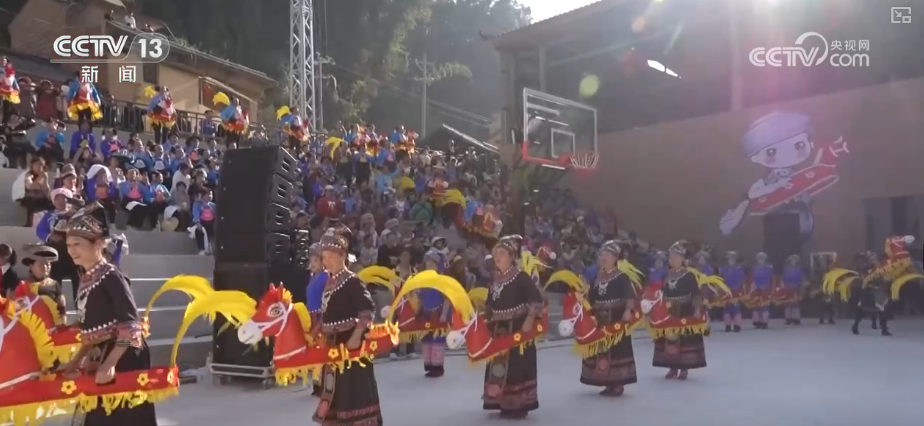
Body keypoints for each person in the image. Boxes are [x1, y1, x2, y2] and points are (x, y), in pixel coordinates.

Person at [57, 202, 157, 426]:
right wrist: (75, 362)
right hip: (101, 354)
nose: (72, 250)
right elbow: (91, 330)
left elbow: (131, 324)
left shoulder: (112, 276)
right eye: (69, 244)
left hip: (124, 355)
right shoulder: (87, 278)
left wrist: (110, 364)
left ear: (99, 243)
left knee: (122, 417)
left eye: (78, 244)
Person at [313, 226, 383, 426]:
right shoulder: (329, 282)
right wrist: (318, 330)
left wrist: (356, 335)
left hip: (350, 345)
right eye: (324, 257)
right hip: (332, 345)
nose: (326, 261)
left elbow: (367, 310)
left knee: (353, 390)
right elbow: (329, 312)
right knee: (334, 388)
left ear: (342, 255)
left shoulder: (352, 281)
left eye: (330, 257)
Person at [483, 235, 542, 419]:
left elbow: (536, 299)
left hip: (518, 329)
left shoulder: (521, 277)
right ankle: (502, 401)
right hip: (498, 330)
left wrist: (529, 319)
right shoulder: (495, 279)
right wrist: (483, 317)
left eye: (502, 253)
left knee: (517, 365)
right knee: (498, 367)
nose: (497, 257)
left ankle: (519, 404)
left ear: (511, 256)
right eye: (496, 254)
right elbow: (490, 303)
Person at [580, 240, 638, 396]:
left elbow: (629, 295)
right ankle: (607, 382)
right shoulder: (596, 278)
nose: (603, 258)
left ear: (615, 258)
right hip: (600, 320)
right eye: (602, 255)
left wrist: (628, 310)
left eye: (607, 255)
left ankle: (618, 383)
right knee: (602, 349)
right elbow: (590, 298)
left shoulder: (622, 277)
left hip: (617, 318)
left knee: (617, 349)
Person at [653, 240, 707, 380]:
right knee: (670, 339)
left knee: (684, 340)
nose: (673, 260)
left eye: (676, 257)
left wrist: (697, 309)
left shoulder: (689, 275)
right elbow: (662, 293)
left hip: (686, 309)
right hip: (669, 311)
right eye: (671, 257)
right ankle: (672, 367)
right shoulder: (667, 276)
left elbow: (696, 294)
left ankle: (684, 368)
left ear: (682, 259)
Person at [418, 249, 452, 377]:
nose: (429, 265)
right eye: (427, 263)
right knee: (427, 339)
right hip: (426, 313)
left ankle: (438, 367)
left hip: (438, 313)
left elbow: (447, 298)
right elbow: (420, 297)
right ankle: (429, 365)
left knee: (437, 339)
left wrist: (444, 314)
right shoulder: (422, 279)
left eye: (432, 263)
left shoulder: (442, 280)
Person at [304, 243, 327, 397]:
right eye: (311, 261)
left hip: (320, 317)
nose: (312, 264)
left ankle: (323, 383)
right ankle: (316, 383)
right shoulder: (312, 277)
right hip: (311, 316)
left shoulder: (326, 277)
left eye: (316, 261)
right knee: (314, 349)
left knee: (322, 349)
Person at [852, 252, 891, 336]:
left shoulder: (880, 268)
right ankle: (855, 326)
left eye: (874, 258)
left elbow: (884, 277)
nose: (874, 259)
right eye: (872, 258)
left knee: (882, 309)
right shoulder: (866, 268)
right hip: (869, 291)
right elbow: (864, 278)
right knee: (861, 309)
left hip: (878, 291)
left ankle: (883, 328)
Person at [20, 244, 66, 316]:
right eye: (41, 264)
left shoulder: (54, 284)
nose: (45, 267)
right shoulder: (22, 285)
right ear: (31, 266)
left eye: (48, 264)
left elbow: (62, 308)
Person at [719, 252, 746, 332]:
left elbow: (742, 280)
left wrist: (741, 290)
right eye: (730, 259)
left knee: (736, 308)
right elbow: (721, 280)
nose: (731, 260)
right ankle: (727, 325)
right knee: (727, 308)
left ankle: (737, 325)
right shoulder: (724, 269)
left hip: (736, 291)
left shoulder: (739, 269)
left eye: (733, 259)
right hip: (726, 291)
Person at [750, 252, 774, 329]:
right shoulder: (754, 267)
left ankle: (764, 322)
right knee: (756, 305)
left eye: (762, 258)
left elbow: (771, 278)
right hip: (756, 288)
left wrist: (769, 287)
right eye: (759, 258)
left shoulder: (768, 268)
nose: (760, 260)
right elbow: (752, 278)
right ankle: (757, 321)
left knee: (765, 305)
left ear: (765, 259)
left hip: (765, 288)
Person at [780, 254, 805, 325]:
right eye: (792, 260)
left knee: (796, 303)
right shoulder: (786, 269)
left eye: (795, 260)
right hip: (788, 287)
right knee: (788, 303)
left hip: (797, 287)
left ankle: (796, 318)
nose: (793, 261)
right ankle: (788, 318)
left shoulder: (799, 269)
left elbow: (802, 277)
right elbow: (783, 278)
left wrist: (802, 285)